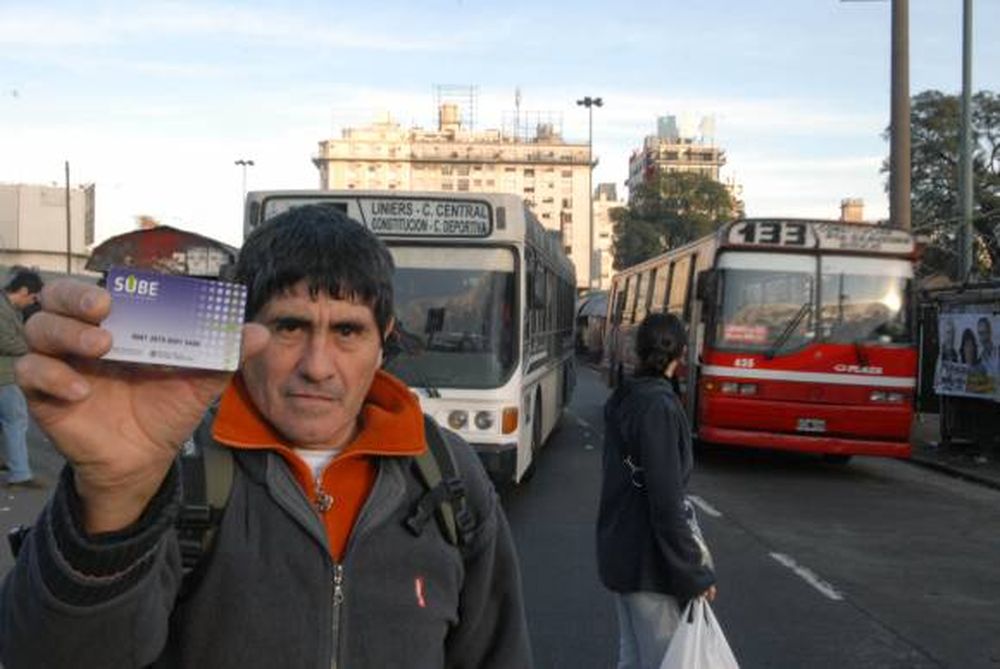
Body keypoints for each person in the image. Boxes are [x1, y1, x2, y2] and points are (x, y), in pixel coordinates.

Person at [0, 205, 531, 668]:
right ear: (241, 329)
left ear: (383, 338)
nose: (318, 367)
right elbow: (50, 654)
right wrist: (112, 500)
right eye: (289, 327)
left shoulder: (449, 476)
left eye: (347, 331)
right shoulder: (171, 469)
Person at [596, 312, 717, 669]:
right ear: (681, 352)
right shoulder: (658, 407)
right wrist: (694, 572)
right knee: (663, 660)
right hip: (649, 564)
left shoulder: (626, 397)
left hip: (621, 551)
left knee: (634, 659)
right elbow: (666, 503)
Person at [0, 268, 43, 488]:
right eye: (33, 297)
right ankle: (20, 474)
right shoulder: (2, 309)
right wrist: (33, 347)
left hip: (7, 373)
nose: (33, 302)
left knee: (6, 421)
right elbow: (5, 341)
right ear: (24, 291)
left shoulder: (11, 309)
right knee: (16, 421)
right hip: (5, 376)